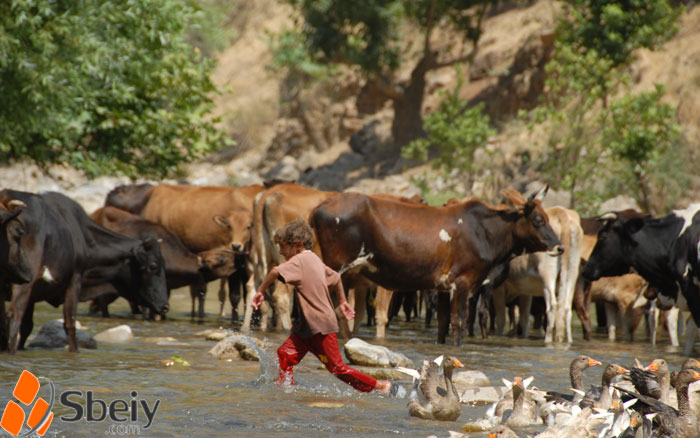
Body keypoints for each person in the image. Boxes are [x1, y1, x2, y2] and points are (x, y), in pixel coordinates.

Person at [252, 219, 392, 394]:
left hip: (320, 326)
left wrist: (260, 291)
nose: (280, 252)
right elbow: (336, 277)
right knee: (284, 354)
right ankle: (285, 388)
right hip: (307, 327)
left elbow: (274, 271)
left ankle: (380, 386)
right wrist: (342, 301)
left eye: (283, 247)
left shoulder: (299, 259)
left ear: (298, 245)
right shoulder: (314, 259)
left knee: (337, 368)